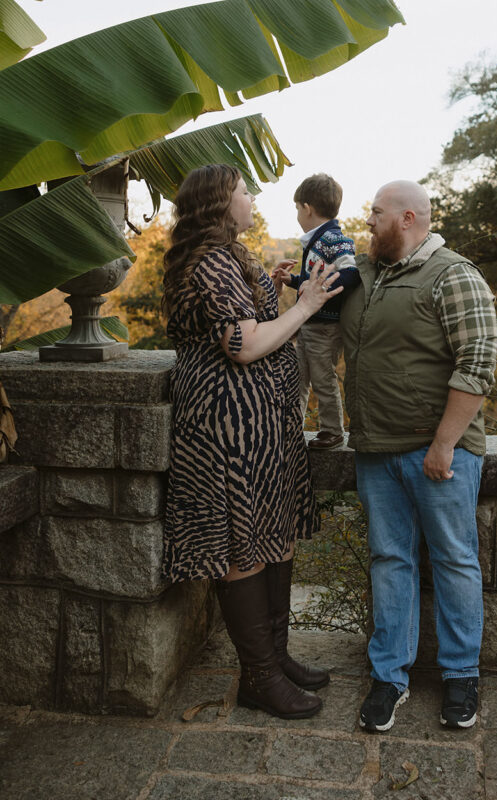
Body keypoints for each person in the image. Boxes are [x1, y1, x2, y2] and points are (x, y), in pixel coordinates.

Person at [161, 164, 343, 720]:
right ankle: (258, 677)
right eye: (244, 192)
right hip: (227, 424)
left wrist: (271, 282)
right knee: (242, 538)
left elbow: (248, 311)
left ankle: (276, 656)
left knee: (274, 529)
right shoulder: (211, 261)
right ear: (220, 204)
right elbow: (241, 342)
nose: (252, 198)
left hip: (263, 424)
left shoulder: (232, 256)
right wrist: (305, 306)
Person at [339, 180, 497, 732]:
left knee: (454, 561)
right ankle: (390, 677)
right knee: (390, 560)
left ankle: (460, 676)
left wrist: (444, 444)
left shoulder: (454, 274)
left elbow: (478, 362)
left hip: (439, 454)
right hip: (376, 449)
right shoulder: (364, 274)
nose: (369, 222)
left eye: (376, 214)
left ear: (407, 219)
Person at [271, 173, 360, 449]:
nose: (297, 214)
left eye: (297, 208)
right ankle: (292, 428)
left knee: (323, 379)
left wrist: (321, 290)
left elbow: (351, 273)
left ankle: (333, 431)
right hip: (308, 324)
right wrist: (293, 281)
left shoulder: (335, 239)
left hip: (325, 326)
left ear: (307, 208)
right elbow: (312, 282)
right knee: (298, 378)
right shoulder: (316, 240)